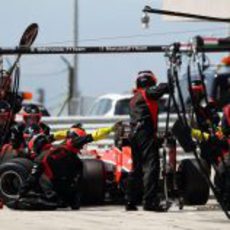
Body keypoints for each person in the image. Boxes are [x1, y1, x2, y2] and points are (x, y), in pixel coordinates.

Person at [10, 122, 120, 210]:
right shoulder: (69, 150)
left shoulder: (41, 159)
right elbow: (91, 137)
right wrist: (110, 129)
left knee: (26, 196)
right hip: (71, 197)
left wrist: (19, 195)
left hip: (53, 196)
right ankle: (71, 198)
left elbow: (31, 180)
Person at [125, 70, 170, 211]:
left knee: (137, 169)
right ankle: (150, 202)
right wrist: (171, 83)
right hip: (144, 133)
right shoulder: (147, 93)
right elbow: (162, 88)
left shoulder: (134, 97)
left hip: (135, 134)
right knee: (152, 166)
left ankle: (130, 201)